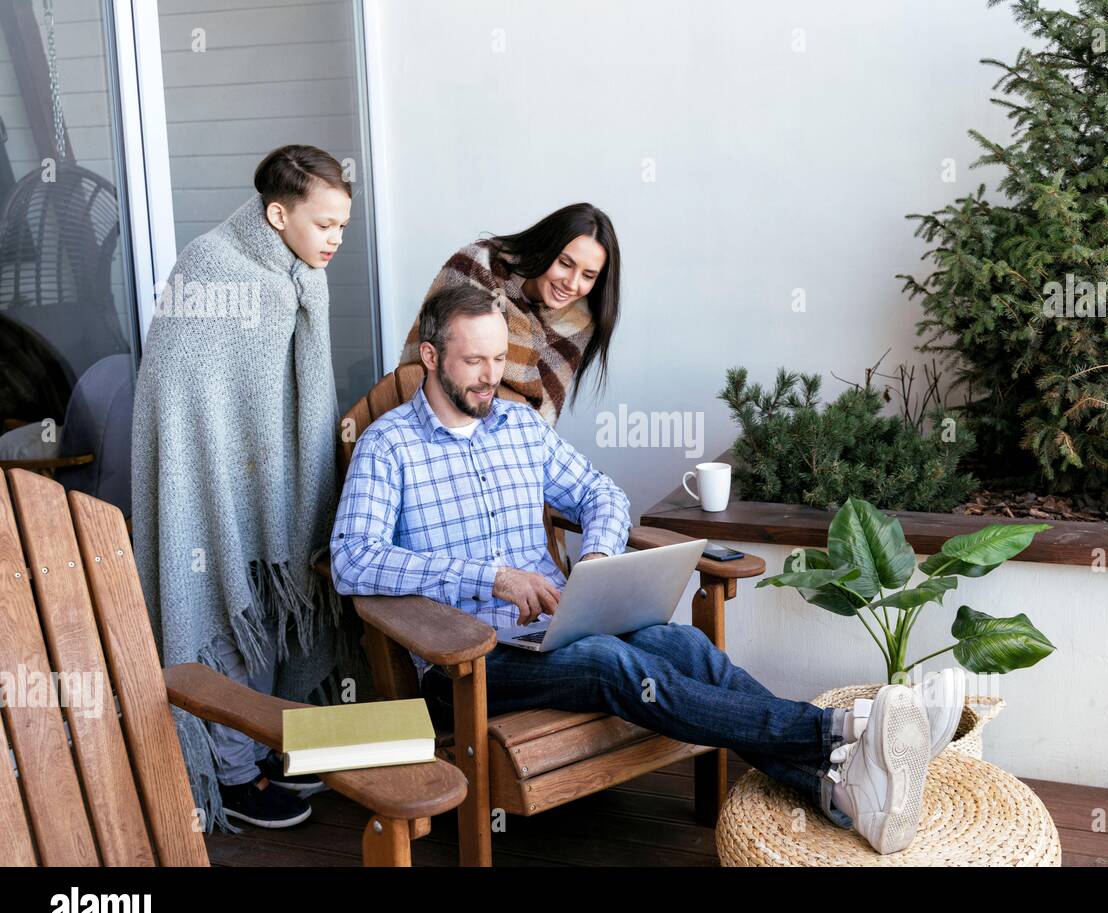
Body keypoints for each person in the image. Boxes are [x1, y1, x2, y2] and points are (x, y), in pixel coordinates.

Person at [331, 284, 967, 854]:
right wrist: (490, 577)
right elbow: (351, 560)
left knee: (685, 645)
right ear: (431, 355)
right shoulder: (388, 447)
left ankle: (842, 793)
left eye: (500, 359)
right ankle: (841, 730)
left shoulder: (518, 427)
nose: (491, 376)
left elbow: (602, 494)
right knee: (616, 666)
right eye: (474, 360)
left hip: (557, 627)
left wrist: (600, 559)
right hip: (470, 658)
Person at [132, 144, 356, 831]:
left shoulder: (297, 276)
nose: (336, 241)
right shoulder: (211, 266)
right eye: (325, 225)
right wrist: (221, 485)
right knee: (228, 605)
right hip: (209, 488)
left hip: (270, 483)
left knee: (268, 607)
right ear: (278, 212)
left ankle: (268, 744)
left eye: (344, 227)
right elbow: (179, 393)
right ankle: (231, 773)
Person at [396, 203, 621, 427]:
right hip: (432, 421)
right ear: (545, 248)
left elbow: (540, 418)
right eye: (564, 263)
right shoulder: (477, 266)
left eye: (588, 276)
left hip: (507, 442)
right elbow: (431, 358)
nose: (572, 284)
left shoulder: (578, 320)